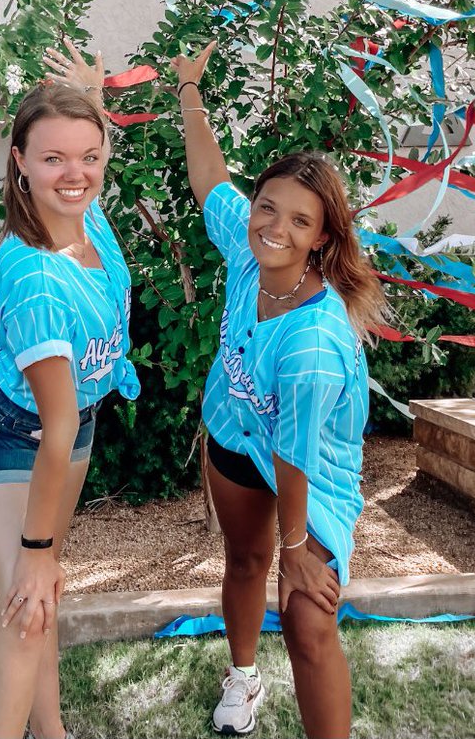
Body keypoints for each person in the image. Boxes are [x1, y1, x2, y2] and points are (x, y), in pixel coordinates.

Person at [172, 42, 387, 739]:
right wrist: (189, 90)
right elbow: (209, 177)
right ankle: (242, 676)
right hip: (236, 432)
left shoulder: (314, 343)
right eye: (269, 208)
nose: (275, 227)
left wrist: (299, 546)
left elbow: (295, 455)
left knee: (307, 614)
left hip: (309, 469)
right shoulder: (245, 239)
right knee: (245, 561)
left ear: (322, 236)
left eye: (299, 220)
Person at [0, 42, 139, 739]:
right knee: (27, 602)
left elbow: (69, 422)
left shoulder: (88, 220)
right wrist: (37, 550)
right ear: (19, 162)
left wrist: (91, 97)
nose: (76, 173)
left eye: (89, 156)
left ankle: (51, 731)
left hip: (72, 423)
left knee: (41, 600)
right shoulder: (32, 277)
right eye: (53, 157)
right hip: (11, 430)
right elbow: (53, 426)